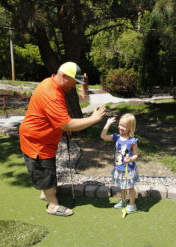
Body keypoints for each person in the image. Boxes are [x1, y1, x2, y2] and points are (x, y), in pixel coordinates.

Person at [19, 62, 106, 217]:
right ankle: (52, 205)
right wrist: (93, 119)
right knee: (46, 170)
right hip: (36, 141)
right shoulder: (50, 92)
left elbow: (59, 119)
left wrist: (62, 127)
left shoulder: (53, 85)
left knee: (48, 168)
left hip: (43, 138)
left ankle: (47, 192)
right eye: (73, 83)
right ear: (64, 76)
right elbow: (67, 124)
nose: (73, 87)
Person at [100, 113, 139, 214]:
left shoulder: (132, 141)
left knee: (130, 187)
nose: (120, 127)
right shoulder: (116, 137)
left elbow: (136, 155)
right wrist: (108, 124)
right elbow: (103, 136)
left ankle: (132, 204)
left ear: (130, 128)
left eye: (123, 126)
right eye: (120, 125)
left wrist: (130, 159)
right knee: (122, 186)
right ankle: (123, 201)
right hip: (119, 168)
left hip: (128, 169)